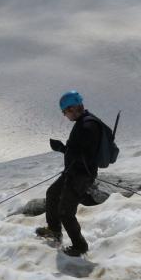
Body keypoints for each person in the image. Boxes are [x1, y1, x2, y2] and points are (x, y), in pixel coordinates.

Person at [36, 91, 102, 257]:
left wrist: (63, 149)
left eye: (65, 111)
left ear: (72, 108)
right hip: (73, 172)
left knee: (65, 212)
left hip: (81, 175)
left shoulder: (88, 126)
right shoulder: (83, 123)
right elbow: (78, 152)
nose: (65, 115)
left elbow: (84, 155)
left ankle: (80, 246)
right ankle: (54, 230)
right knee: (52, 193)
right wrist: (63, 149)